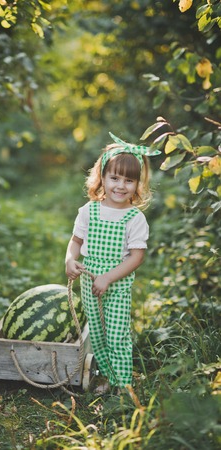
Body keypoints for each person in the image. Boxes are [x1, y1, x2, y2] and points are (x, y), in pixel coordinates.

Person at [65, 132, 161, 393]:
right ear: (103, 178)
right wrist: (70, 259)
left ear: (137, 184)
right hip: (88, 283)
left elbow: (136, 256)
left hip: (116, 286)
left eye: (129, 180)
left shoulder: (133, 218)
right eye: (114, 178)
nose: (121, 185)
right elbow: (75, 241)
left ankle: (122, 383)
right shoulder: (89, 211)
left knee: (117, 335)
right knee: (96, 333)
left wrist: (108, 277)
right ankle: (107, 376)